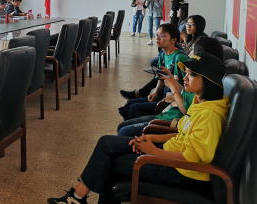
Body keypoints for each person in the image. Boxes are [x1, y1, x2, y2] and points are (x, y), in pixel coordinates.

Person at [47, 51, 229, 204]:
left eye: (192, 74)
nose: (185, 78)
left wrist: (153, 151)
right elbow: (182, 135)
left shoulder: (209, 116)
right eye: (186, 72)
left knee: (110, 163)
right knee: (106, 143)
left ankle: (76, 198)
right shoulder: (200, 103)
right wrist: (152, 138)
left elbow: (191, 158)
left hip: (180, 171)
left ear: (208, 80)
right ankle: (77, 198)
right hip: (169, 155)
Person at [117, 36, 224, 138]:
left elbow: (186, 112)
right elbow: (185, 92)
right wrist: (171, 79)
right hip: (168, 114)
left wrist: (173, 87)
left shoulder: (203, 92)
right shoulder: (197, 83)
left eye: (193, 50)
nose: (189, 52)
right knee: (124, 122)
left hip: (172, 120)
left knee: (125, 127)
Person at [118, 23, 189, 120]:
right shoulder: (163, 55)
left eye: (162, 36)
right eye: (157, 35)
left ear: (173, 40)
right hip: (166, 95)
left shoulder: (180, 58)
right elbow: (160, 78)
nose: (157, 38)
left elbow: (189, 87)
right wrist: (156, 92)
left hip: (176, 100)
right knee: (130, 102)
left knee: (134, 108)